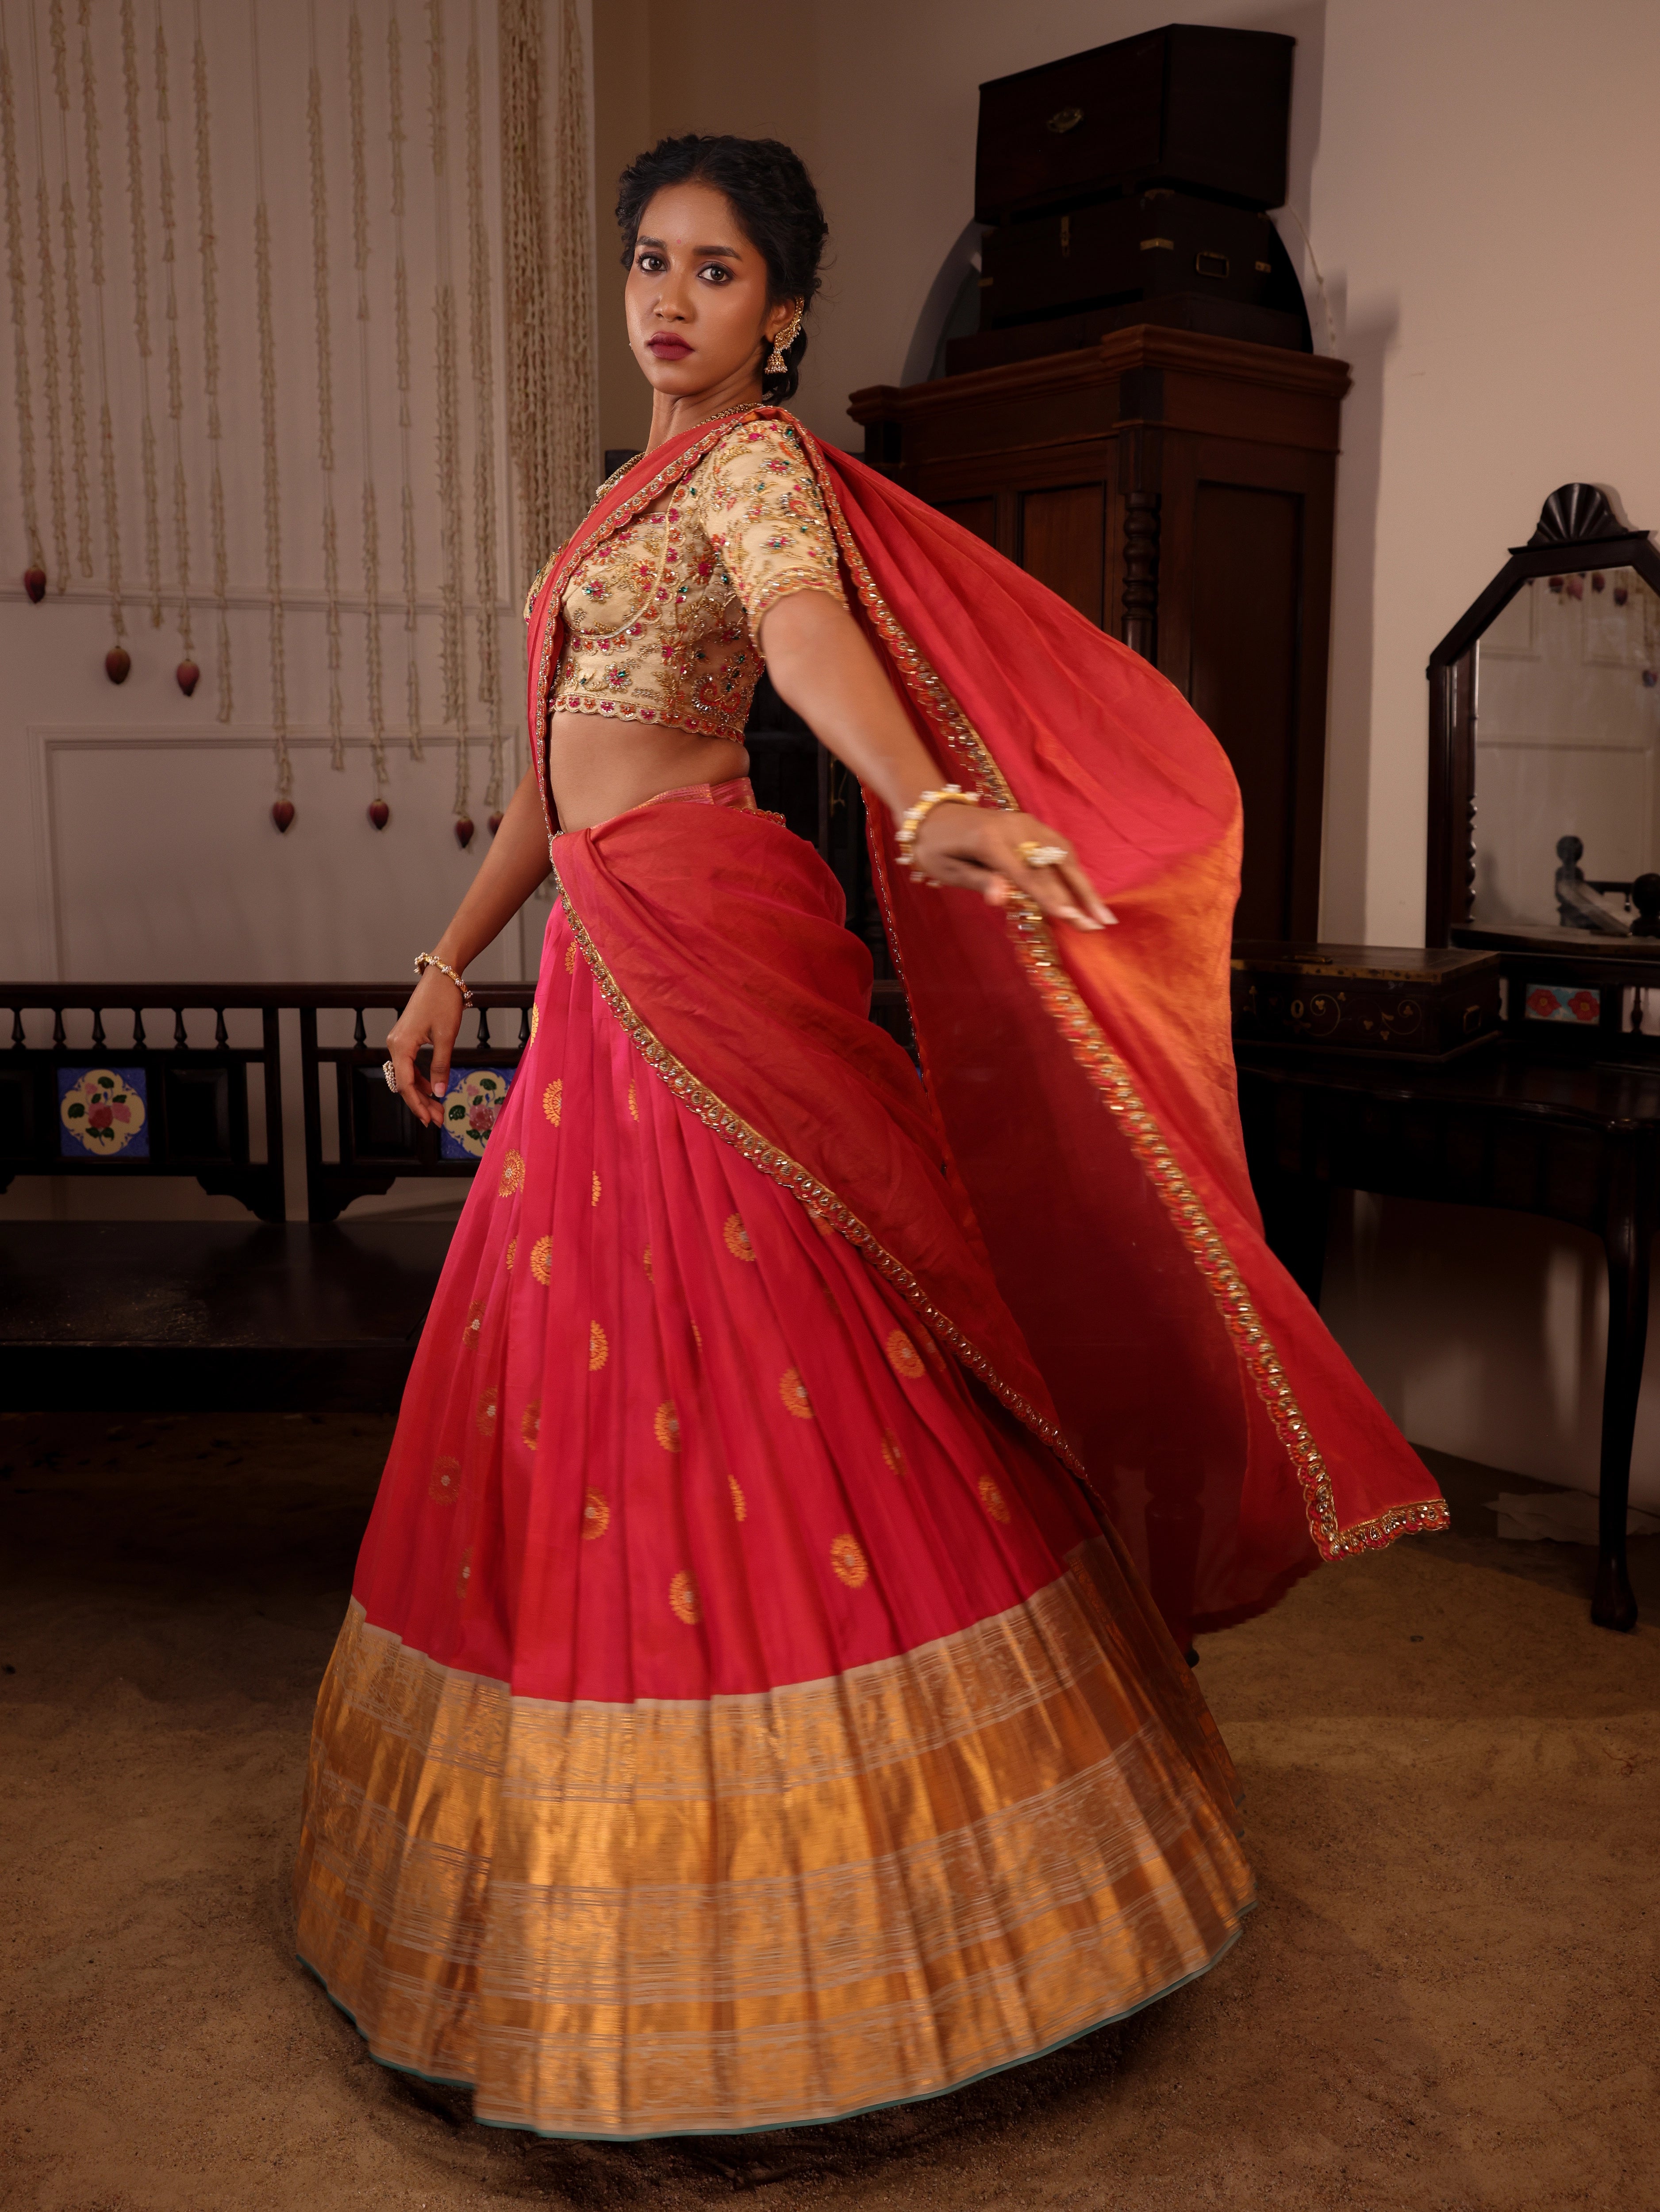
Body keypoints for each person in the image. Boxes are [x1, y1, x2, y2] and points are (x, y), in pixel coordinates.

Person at [294, 134, 1446, 2141]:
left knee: (771, 1368)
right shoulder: (608, 499)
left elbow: (806, 646)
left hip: (706, 950)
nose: (669, 300)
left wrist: (925, 805)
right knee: (582, 1387)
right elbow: (537, 783)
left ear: (784, 312)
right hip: (595, 972)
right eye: (649, 262)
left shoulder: (751, 472)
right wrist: (444, 959)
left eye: (715, 271)